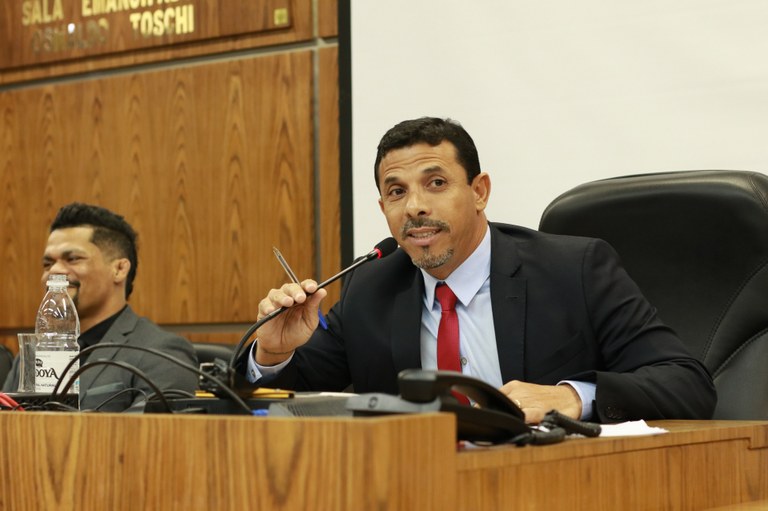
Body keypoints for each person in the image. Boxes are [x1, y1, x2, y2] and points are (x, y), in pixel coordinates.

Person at [241, 117, 716, 423]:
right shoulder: (371, 288)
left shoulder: (574, 270)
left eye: (436, 183)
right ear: (383, 207)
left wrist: (572, 397)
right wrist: (273, 353)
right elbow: (281, 400)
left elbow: (686, 383)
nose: (415, 207)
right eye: (397, 191)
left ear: (479, 192)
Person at [2, 202, 198, 411]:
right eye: (47, 264)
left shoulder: (160, 352)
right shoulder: (34, 355)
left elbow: (152, 431)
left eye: (73, 259)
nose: (54, 271)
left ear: (119, 269)